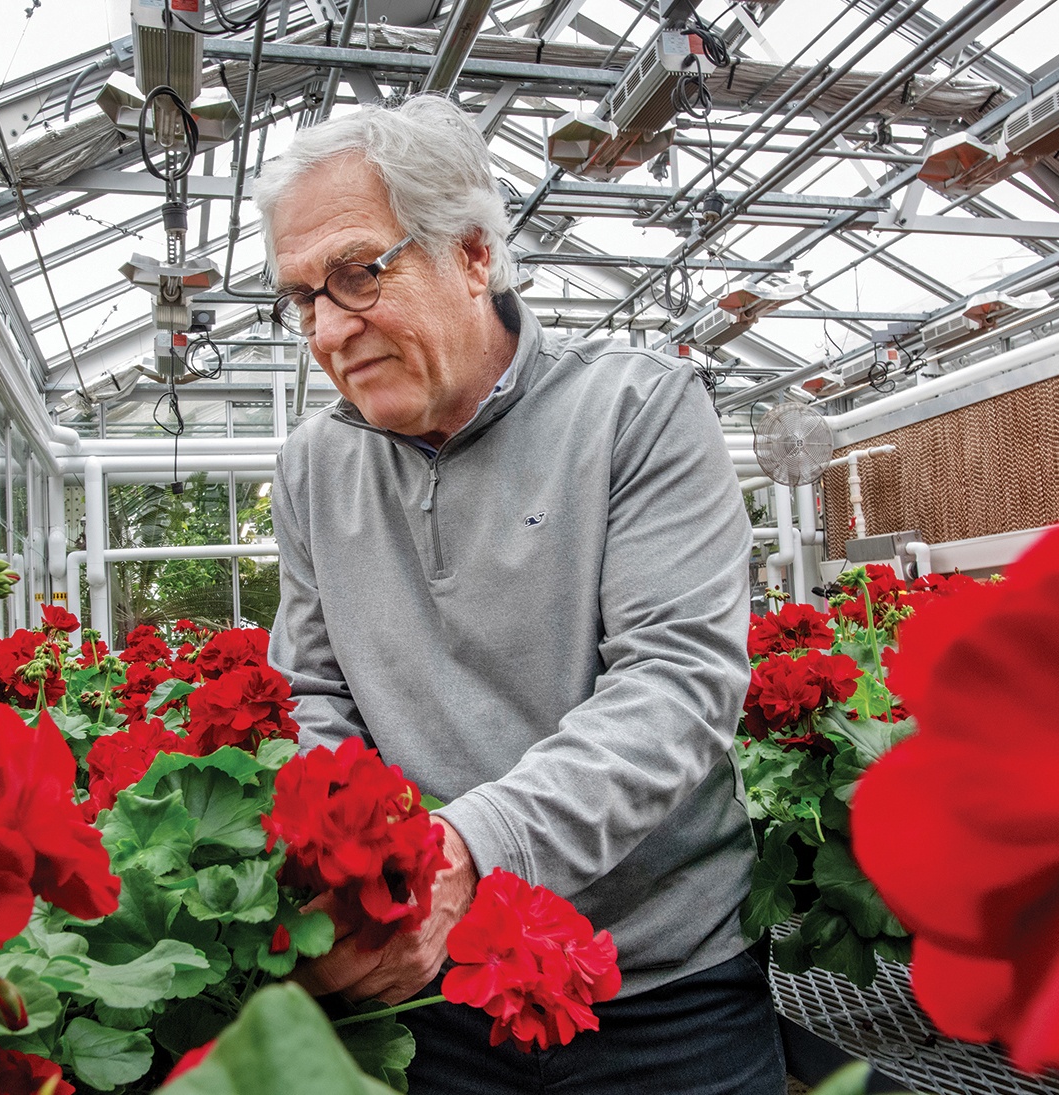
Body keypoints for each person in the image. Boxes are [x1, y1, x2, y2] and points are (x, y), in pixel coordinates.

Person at [256, 94, 783, 1095]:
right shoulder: (312, 467)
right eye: (301, 298)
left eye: (358, 273)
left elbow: (675, 686)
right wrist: (361, 880)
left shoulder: (638, 411)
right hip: (425, 994)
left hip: (656, 990)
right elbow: (313, 694)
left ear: (472, 254)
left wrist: (473, 849)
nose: (328, 328)